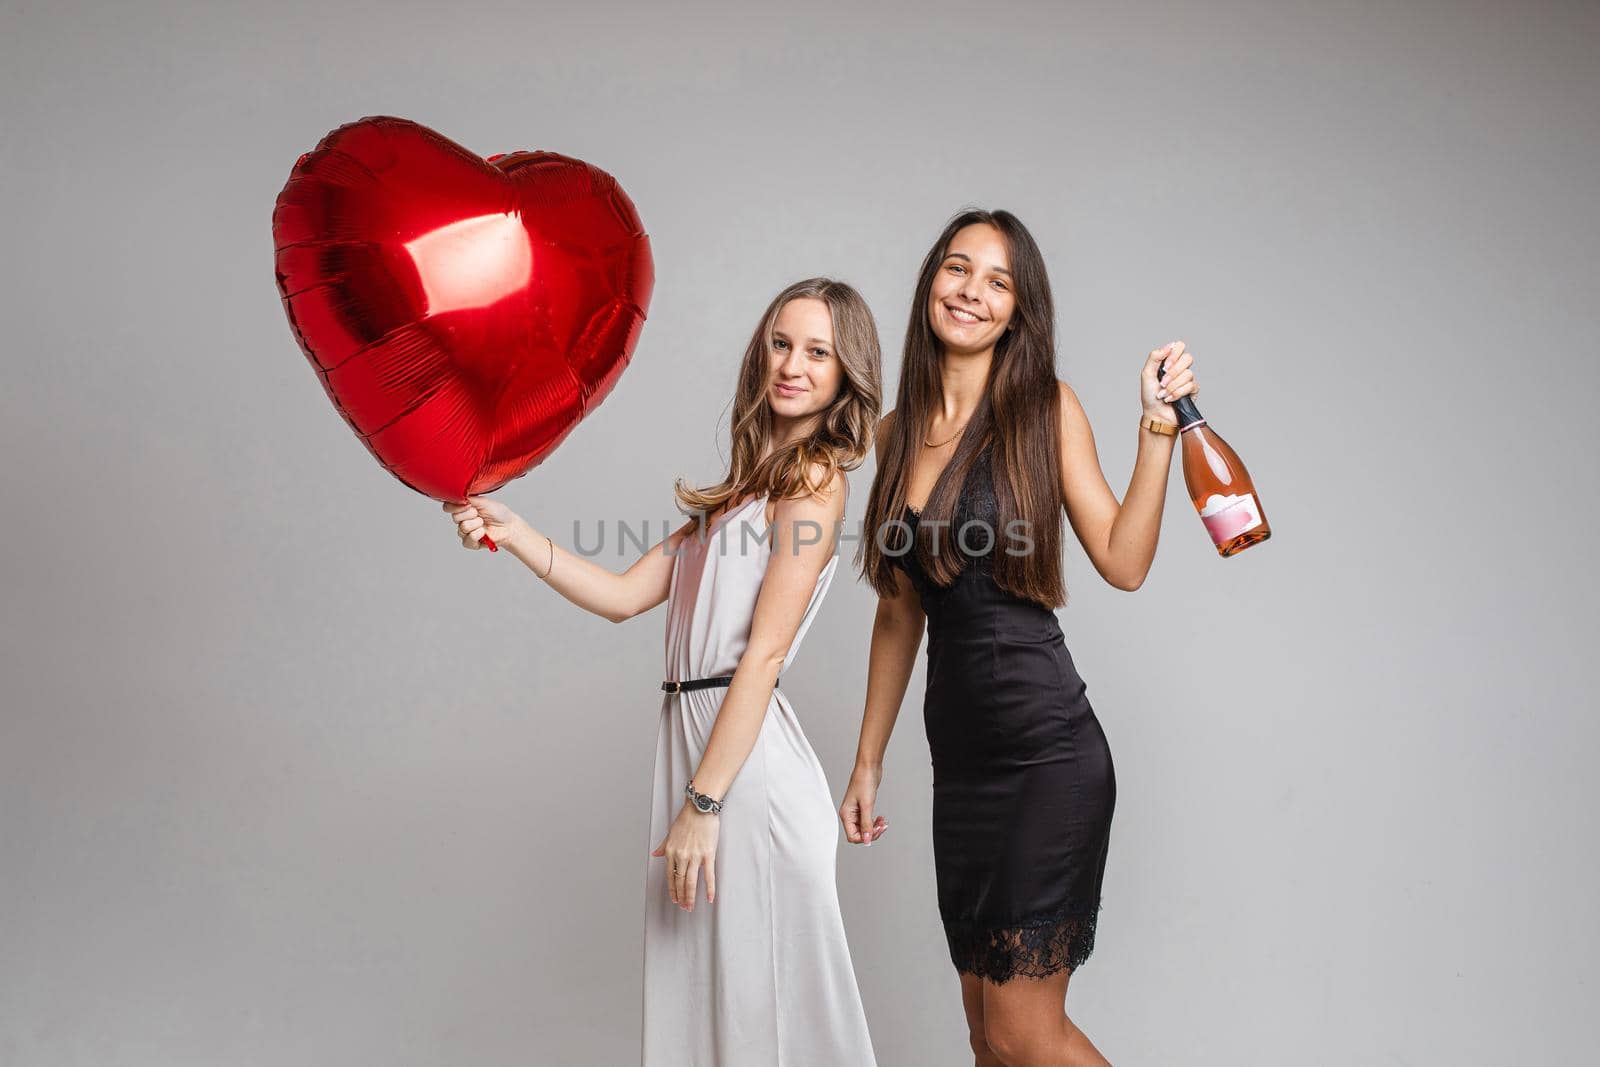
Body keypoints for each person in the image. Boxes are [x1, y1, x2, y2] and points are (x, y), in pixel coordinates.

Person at [446, 278, 882, 1066]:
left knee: (764, 1022)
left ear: (845, 374)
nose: (793, 364)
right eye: (781, 343)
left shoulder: (814, 483)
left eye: (818, 352)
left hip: (742, 777)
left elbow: (765, 654)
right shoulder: (731, 499)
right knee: (713, 1018)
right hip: (701, 757)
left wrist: (703, 802)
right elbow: (619, 597)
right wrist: (514, 531)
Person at [839, 210, 1200, 1066]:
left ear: (1017, 309)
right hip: (960, 769)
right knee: (985, 1040)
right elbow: (899, 609)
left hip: (1047, 755)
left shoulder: (1043, 408)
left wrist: (1154, 428)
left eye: (997, 281)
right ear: (931, 280)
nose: (971, 291)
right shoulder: (893, 434)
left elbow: (1123, 558)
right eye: (957, 269)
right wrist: (866, 760)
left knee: (1021, 1033)